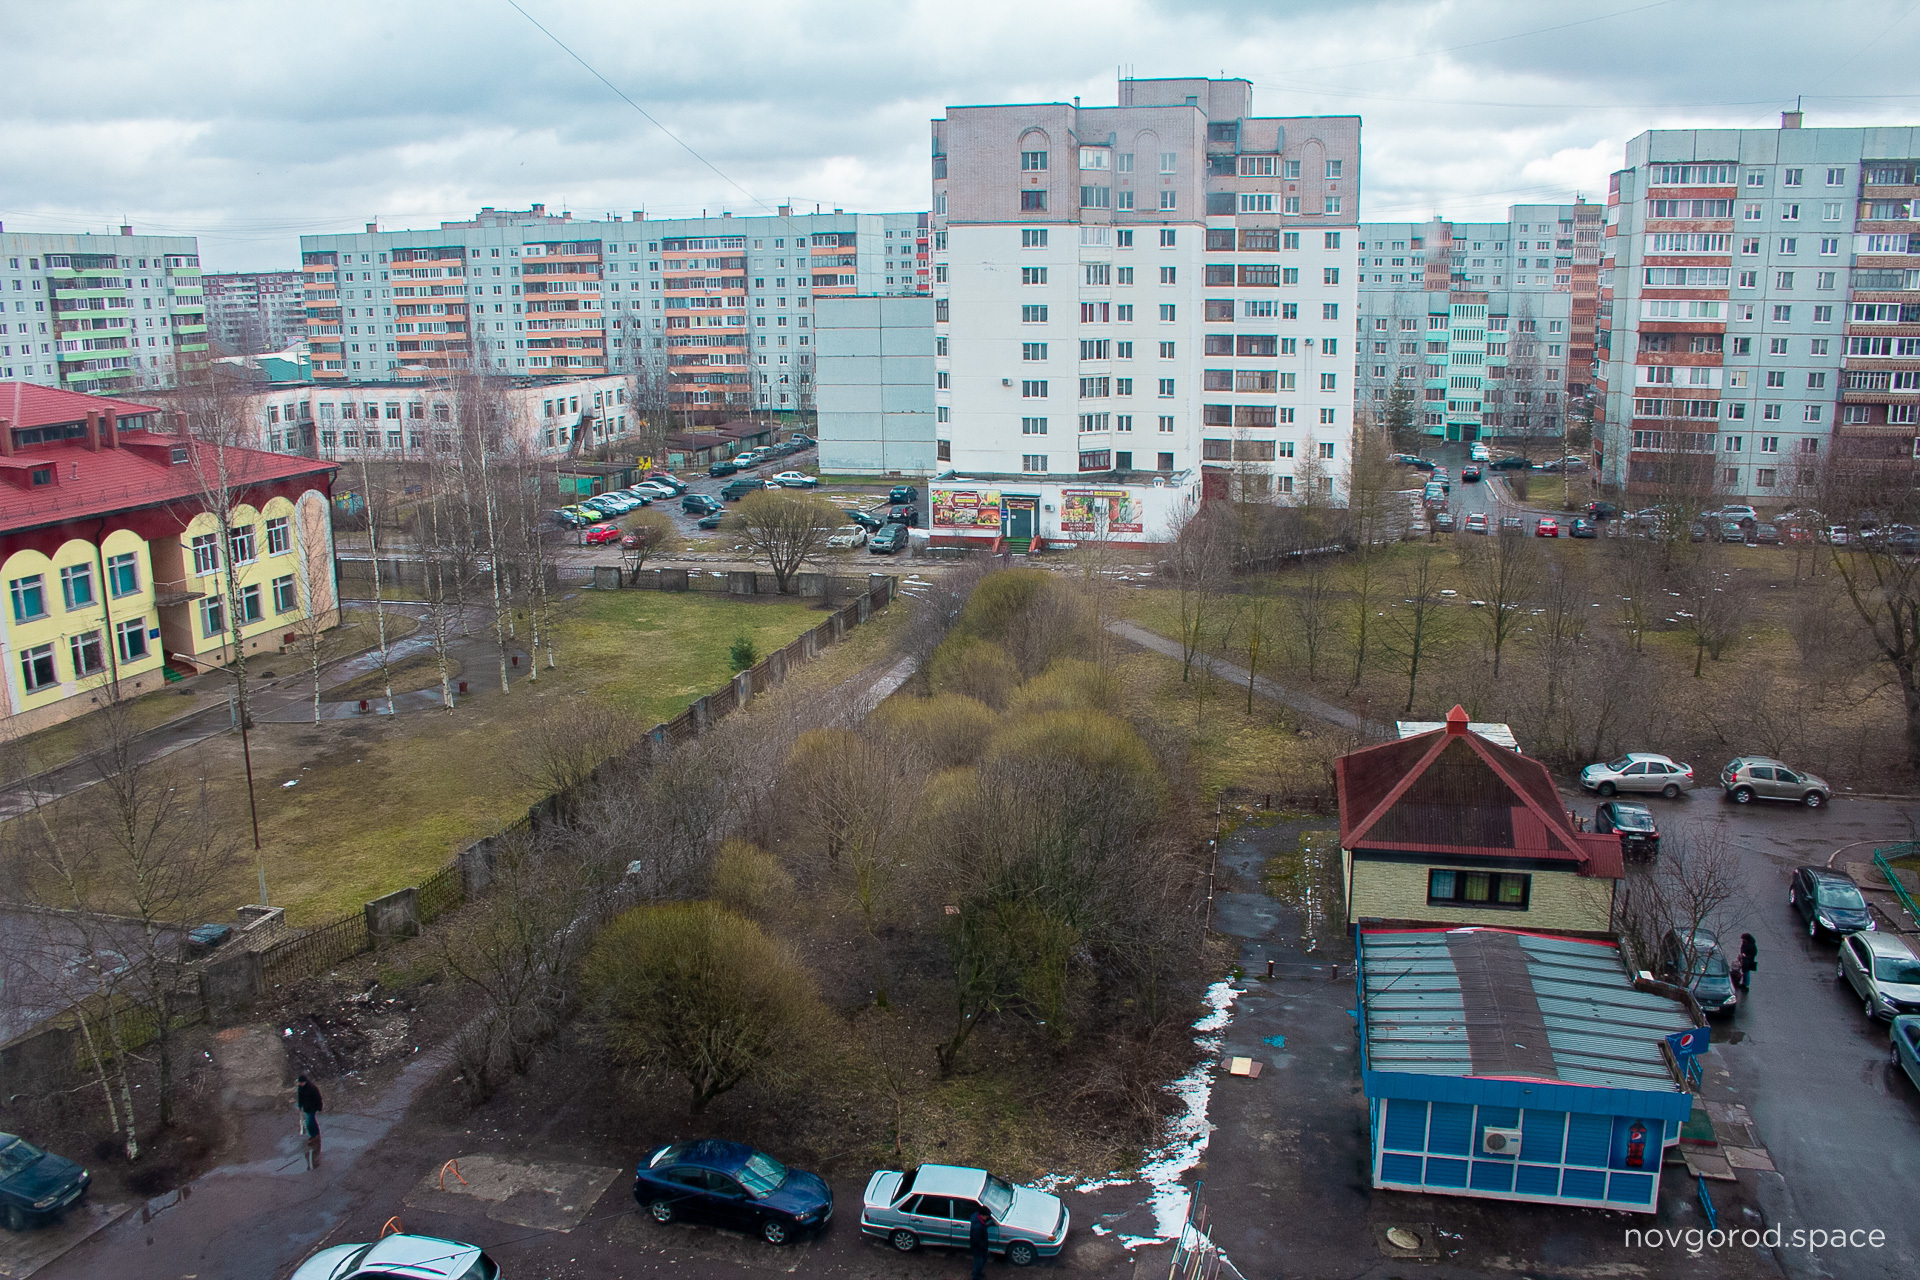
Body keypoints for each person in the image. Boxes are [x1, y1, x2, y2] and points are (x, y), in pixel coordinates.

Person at [295, 1074, 324, 1140]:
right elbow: (300, 1097)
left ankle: (313, 1136)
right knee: (312, 1120)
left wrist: (319, 1107)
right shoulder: (300, 1087)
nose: (299, 1084)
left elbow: (318, 1098)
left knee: (309, 1123)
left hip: (312, 1108)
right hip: (306, 1107)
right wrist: (300, 1105)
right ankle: (316, 1133)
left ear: (304, 1082)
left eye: (301, 1082)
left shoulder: (312, 1088)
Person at [969, 1204, 991, 1280]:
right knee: (979, 1262)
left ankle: (977, 1273)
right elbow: (976, 1240)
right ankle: (976, 1276)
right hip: (979, 1247)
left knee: (981, 1260)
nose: (987, 1218)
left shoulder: (977, 1219)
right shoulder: (978, 1226)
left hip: (979, 1246)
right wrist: (984, 1247)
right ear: (982, 1215)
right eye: (986, 1216)